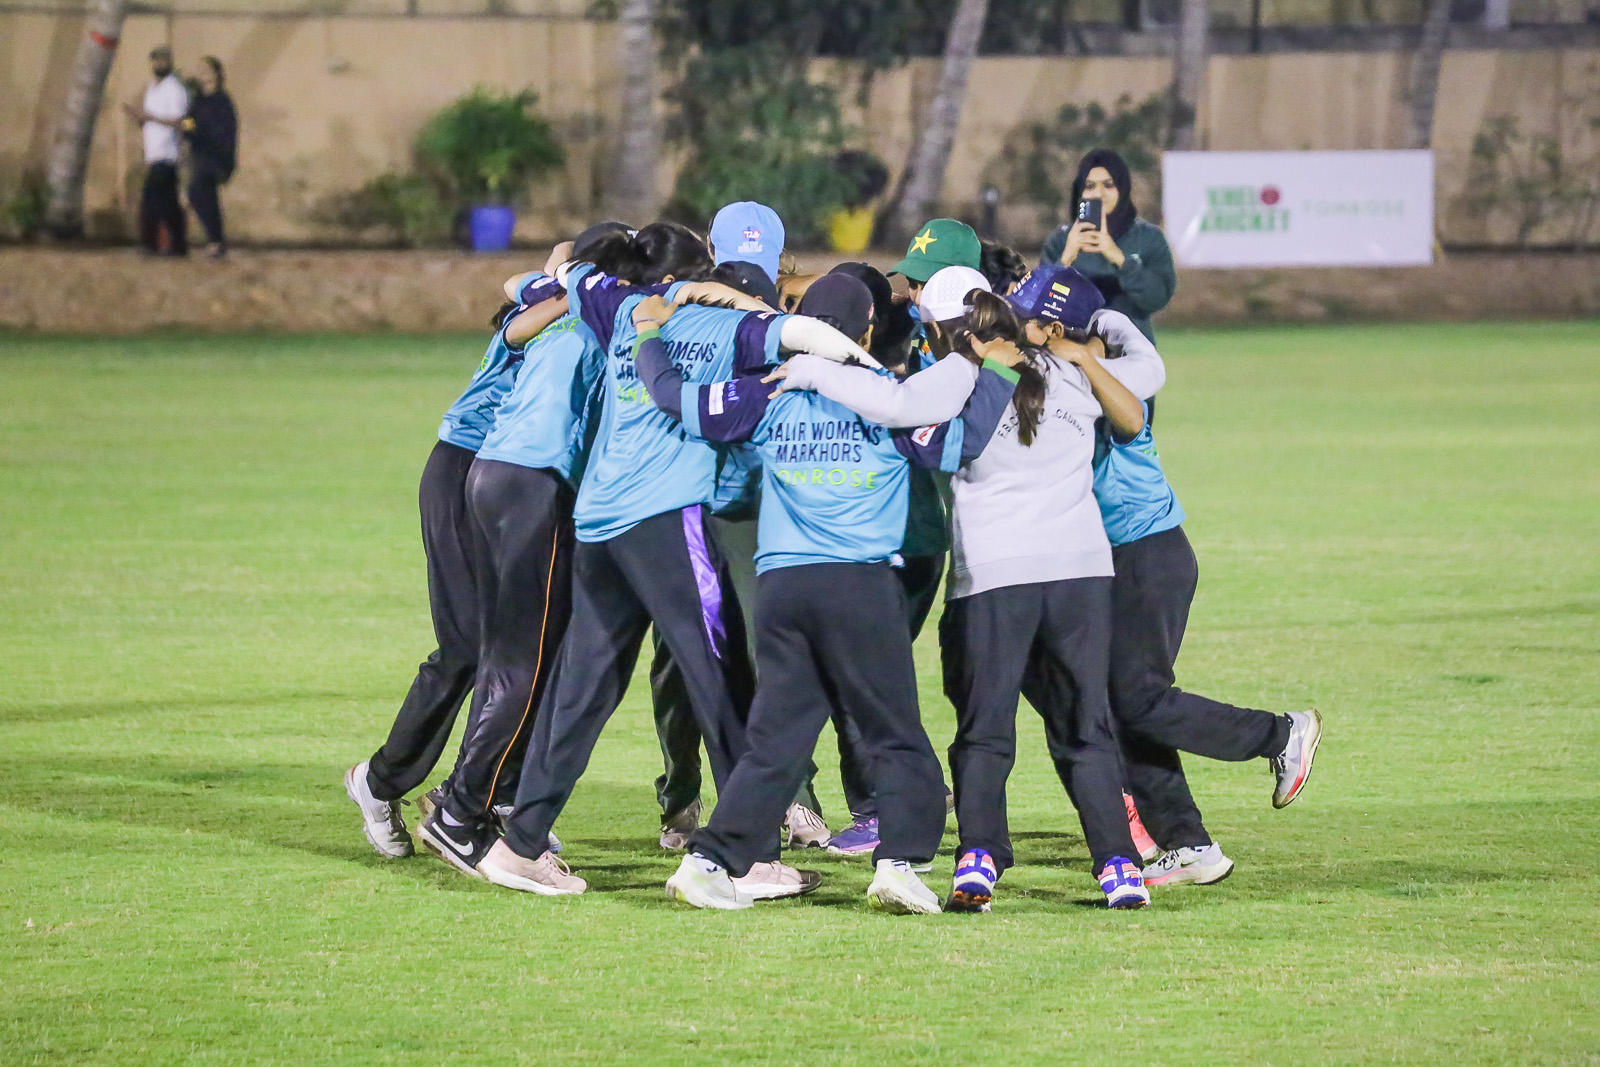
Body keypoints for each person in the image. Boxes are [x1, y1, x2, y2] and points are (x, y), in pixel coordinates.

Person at [473, 224, 876, 898]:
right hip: (667, 519)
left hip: (600, 518)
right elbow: (810, 337)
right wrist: (871, 370)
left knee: (585, 687)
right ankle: (747, 857)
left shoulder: (623, 306)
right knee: (724, 680)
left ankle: (519, 845)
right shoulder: (731, 329)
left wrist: (662, 288)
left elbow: (554, 272)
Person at [642, 275, 1021, 912]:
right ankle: (899, 864)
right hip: (857, 586)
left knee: (776, 742)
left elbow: (674, 398)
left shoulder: (767, 394)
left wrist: (648, 336)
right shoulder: (884, 400)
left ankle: (709, 862)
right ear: (866, 331)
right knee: (896, 735)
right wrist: (999, 374)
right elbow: (960, 443)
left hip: (782, 588)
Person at [1012, 266, 1323, 888]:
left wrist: (1085, 357)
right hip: (1107, 561)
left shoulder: (1109, 381)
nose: (1020, 332)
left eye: (1028, 322)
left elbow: (1130, 418)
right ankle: (1187, 843)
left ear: (1058, 331)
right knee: (1115, 704)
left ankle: (1280, 733)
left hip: (1148, 555)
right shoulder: (1065, 376)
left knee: (1137, 698)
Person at [411, 223, 630, 875]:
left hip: (491, 475)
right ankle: (460, 812)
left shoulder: (557, 312)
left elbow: (530, 279)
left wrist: (565, 272)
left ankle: (485, 796)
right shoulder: (611, 314)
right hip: (536, 482)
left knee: (515, 653)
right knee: (524, 661)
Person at [344, 266, 564, 859]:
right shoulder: (555, 309)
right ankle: (378, 780)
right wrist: (582, 288)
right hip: (464, 466)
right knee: (468, 645)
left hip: (520, 483)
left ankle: (484, 793)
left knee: (525, 648)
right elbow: (527, 296)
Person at [1038, 149, 1176, 342]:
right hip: (1074, 349)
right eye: (1090, 186)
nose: (1099, 194)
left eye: (1109, 185)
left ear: (1122, 188)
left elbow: (1158, 298)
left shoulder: (1148, 237)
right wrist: (1065, 259)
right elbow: (1040, 304)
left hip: (1131, 349)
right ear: (1080, 192)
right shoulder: (1061, 240)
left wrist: (1120, 259)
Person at [122, 46, 189, 257]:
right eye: (155, 60)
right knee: (168, 205)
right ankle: (178, 245)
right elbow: (150, 120)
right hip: (153, 154)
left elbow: (181, 122)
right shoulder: (152, 88)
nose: (158, 64)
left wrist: (151, 117)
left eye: (162, 60)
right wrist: (140, 118)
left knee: (151, 203)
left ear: (169, 62)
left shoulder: (175, 89)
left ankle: (150, 244)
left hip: (167, 154)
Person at [181, 56, 237, 259]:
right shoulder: (197, 100)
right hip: (200, 153)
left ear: (216, 74)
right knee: (203, 196)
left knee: (199, 191)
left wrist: (200, 131)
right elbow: (188, 122)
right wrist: (188, 128)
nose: (202, 73)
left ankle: (216, 240)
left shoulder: (223, 101)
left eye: (206, 70)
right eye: (200, 70)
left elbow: (225, 131)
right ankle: (216, 240)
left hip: (217, 156)